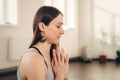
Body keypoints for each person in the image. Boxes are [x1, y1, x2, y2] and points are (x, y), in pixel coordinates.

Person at [17, 6, 69, 80]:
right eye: (58, 26)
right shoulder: (33, 60)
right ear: (42, 27)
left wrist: (64, 75)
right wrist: (60, 76)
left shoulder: (53, 55)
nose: (62, 32)